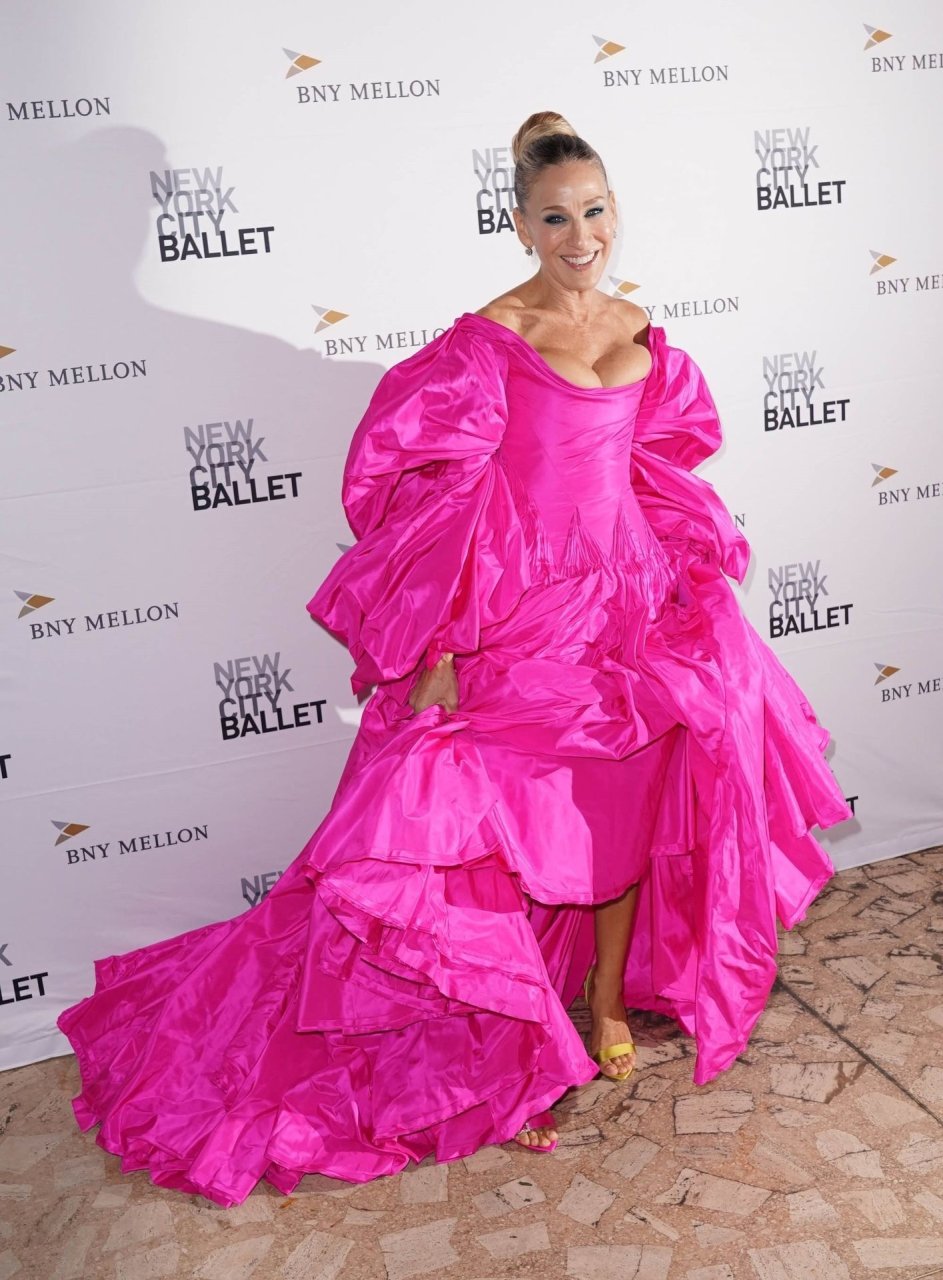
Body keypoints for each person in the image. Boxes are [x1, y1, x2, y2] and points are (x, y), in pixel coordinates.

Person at [57, 111, 852, 1201]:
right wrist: (439, 644)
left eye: (595, 212)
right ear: (518, 224)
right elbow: (434, 500)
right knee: (478, 832)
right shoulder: (485, 341)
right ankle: (506, 1050)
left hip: (627, 603)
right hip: (522, 611)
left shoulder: (640, 326)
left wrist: (681, 574)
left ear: (615, 212)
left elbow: (648, 467)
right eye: (555, 218)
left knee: (620, 811)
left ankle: (604, 1003)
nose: (581, 236)